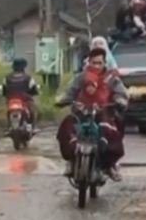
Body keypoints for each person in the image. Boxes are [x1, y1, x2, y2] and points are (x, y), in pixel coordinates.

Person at [55, 48, 128, 181]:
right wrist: (63, 100)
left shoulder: (111, 78)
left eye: (100, 63)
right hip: (81, 111)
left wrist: (119, 100)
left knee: (110, 130)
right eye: (94, 63)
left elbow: (121, 93)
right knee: (67, 126)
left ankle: (109, 165)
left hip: (103, 111)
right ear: (89, 62)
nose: (97, 66)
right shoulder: (81, 77)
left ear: (105, 63)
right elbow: (70, 91)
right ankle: (71, 161)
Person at [1, 57, 40, 125]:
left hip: (10, 98)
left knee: (7, 110)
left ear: (13, 66)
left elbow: (4, 90)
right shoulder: (27, 77)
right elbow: (34, 89)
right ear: (24, 66)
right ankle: (32, 125)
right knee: (33, 110)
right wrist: (34, 93)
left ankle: (9, 125)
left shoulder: (7, 77)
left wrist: (6, 95)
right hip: (25, 98)